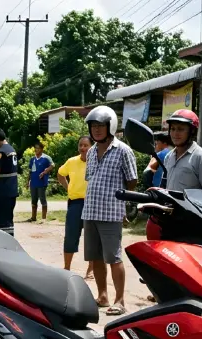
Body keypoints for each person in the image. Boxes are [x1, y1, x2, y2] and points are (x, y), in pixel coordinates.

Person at [82, 105, 138, 317]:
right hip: (90, 212)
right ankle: (103, 295)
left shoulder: (123, 151)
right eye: (93, 126)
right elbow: (91, 179)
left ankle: (120, 300)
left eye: (100, 126)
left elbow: (132, 181)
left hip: (111, 212)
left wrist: (124, 206)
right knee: (95, 257)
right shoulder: (91, 152)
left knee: (114, 257)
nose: (96, 130)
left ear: (110, 126)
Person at [161, 108, 202, 205]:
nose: (175, 133)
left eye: (180, 129)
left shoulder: (200, 157)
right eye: (173, 129)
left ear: (192, 132)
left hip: (192, 214)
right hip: (171, 213)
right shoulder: (169, 156)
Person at [57, 135, 91, 272]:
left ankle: (91, 269)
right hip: (75, 203)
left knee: (92, 238)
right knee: (70, 236)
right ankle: (67, 268)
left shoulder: (98, 162)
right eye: (80, 145)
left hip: (92, 204)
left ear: (92, 147)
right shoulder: (71, 161)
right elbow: (60, 174)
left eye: (85, 145)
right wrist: (68, 188)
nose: (82, 148)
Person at [28, 142, 54, 222]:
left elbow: (52, 165)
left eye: (38, 148)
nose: (36, 150)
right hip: (33, 183)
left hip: (42, 182)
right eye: (35, 148)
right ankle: (33, 217)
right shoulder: (32, 159)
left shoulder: (46, 158)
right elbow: (30, 171)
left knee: (42, 199)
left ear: (42, 149)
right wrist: (28, 181)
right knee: (33, 200)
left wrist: (45, 172)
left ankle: (43, 218)